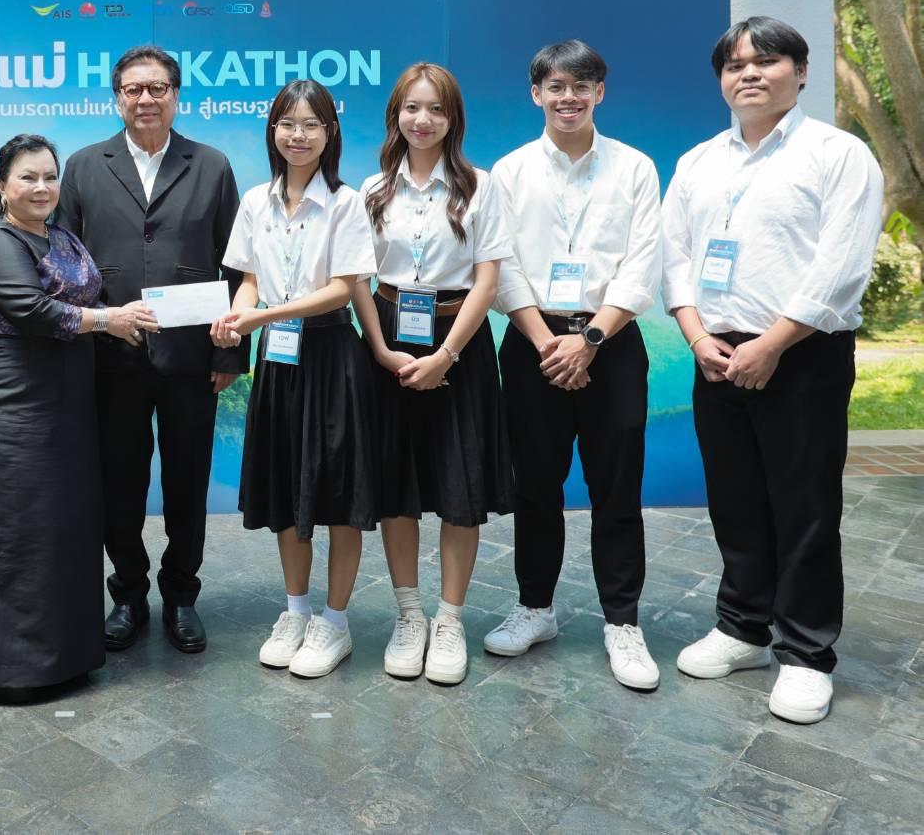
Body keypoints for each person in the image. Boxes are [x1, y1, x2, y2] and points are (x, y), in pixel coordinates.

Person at [662, 16, 884, 724]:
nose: (749, 74)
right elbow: (675, 256)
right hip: (716, 354)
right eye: (734, 65)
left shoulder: (837, 155)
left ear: (801, 71)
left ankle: (806, 653)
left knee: (804, 506)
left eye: (766, 61)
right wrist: (696, 336)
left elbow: (841, 265)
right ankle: (742, 628)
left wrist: (774, 343)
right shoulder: (699, 161)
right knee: (734, 500)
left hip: (801, 355)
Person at [484, 40, 664, 691]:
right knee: (535, 485)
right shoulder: (508, 172)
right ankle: (535, 607)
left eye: (581, 85)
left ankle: (622, 621)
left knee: (616, 488)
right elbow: (500, 265)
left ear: (599, 92)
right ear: (536, 93)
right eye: (555, 86)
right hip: (532, 343)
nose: (568, 97)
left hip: (610, 344)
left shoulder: (634, 168)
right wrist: (546, 342)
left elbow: (642, 263)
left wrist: (589, 339)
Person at [59, 45, 248, 656]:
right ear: (117, 97)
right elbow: (62, 262)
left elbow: (236, 263)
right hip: (110, 358)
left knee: (188, 481)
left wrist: (229, 354)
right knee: (119, 484)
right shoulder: (85, 166)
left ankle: (182, 595)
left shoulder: (211, 165)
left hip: (192, 357)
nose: (146, 99)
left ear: (176, 95)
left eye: (158, 88)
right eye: (134, 89)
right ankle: (129, 594)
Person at [0, 135, 158, 699]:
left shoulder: (62, 235)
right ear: (3, 186)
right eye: (28, 177)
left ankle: (69, 655)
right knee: (17, 530)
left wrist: (121, 317)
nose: (42, 187)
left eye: (50, 176)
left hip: (68, 399)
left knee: (65, 527)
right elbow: (32, 308)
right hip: (11, 399)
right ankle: (16, 668)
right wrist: (109, 321)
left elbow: (88, 297)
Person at [351, 62, 514, 687]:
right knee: (396, 482)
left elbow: (488, 282)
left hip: (459, 341)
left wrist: (445, 355)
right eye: (411, 108)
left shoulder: (480, 186)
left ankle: (449, 619)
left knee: (459, 484)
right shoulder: (373, 190)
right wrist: (380, 349)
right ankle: (409, 615)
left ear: (453, 119)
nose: (423, 120)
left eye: (436, 109)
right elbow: (358, 279)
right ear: (395, 115)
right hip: (389, 339)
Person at [211, 80, 377, 678]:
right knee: (286, 489)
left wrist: (262, 316)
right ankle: (296, 610)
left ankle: (336, 621)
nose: (298, 135)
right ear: (273, 131)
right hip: (279, 362)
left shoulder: (346, 203)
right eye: (287, 124)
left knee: (340, 495)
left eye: (311, 124)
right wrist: (239, 317)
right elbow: (250, 280)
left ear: (330, 132)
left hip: (332, 356)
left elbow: (343, 289)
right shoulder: (256, 201)